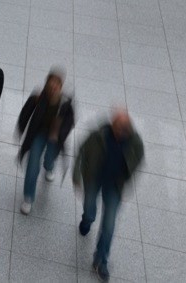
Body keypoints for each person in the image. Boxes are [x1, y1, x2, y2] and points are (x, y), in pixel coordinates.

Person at [74, 109, 144, 282]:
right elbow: (82, 151)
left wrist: (127, 176)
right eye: (118, 126)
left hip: (114, 186)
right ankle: (87, 220)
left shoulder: (135, 142)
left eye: (124, 128)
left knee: (109, 225)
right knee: (90, 210)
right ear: (112, 124)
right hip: (94, 179)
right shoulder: (98, 135)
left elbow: (138, 159)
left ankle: (101, 260)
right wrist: (77, 174)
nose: (121, 131)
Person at [17, 70, 75, 215]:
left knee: (50, 158)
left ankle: (49, 168)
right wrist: (21, 129)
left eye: (56, 86)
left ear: (61, 87)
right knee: (32, 164)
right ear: (46, 85)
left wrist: (59, 134)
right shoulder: (38, 98)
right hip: (39, 134)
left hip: (55, 138)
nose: (53, 89)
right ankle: (28, 198)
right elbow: (25, 113)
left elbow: (70, 121)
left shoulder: (66, 103)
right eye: (50, 86)